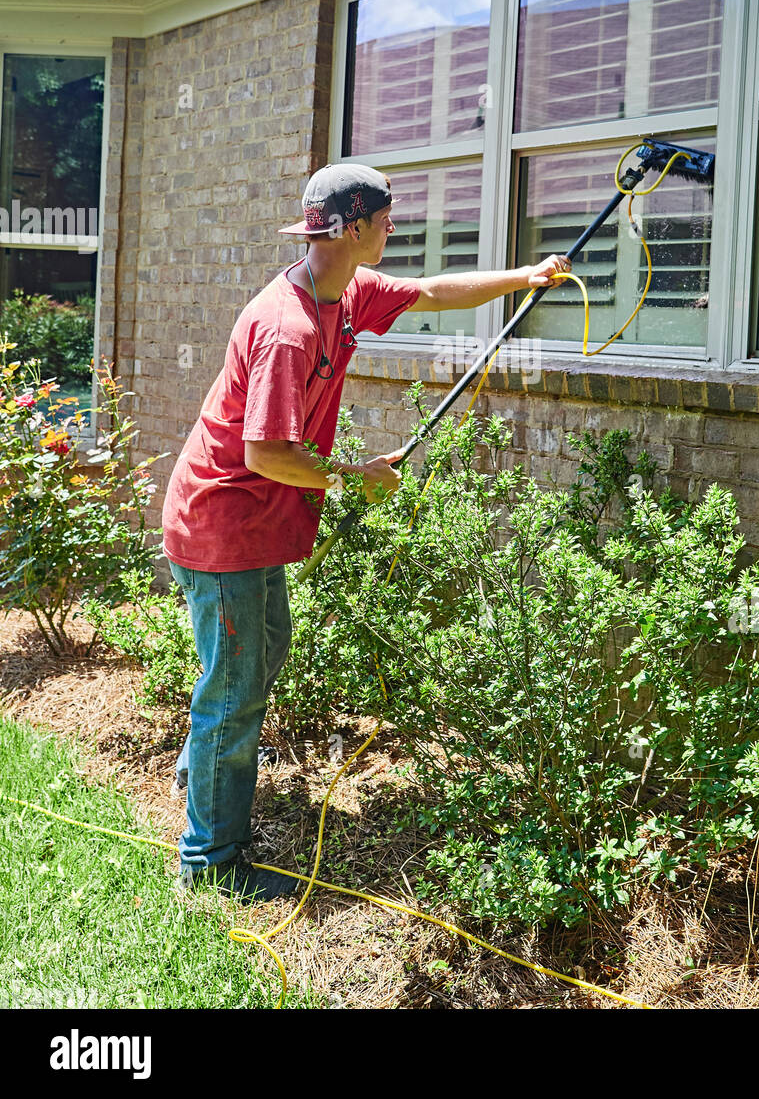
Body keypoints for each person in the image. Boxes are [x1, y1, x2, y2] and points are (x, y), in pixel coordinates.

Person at [161, 162, 569, 901]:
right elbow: (265, 454)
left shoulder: (343, 291)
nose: (392, 229)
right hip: (222, 521)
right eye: (385, 218)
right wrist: (357, 475)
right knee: (236, 688)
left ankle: (201, 771)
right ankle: (210, 863)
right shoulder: (285, 328)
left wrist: (527, 275)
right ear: (351, 227)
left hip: (253, 522)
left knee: (258, 654)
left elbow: (435, 291)